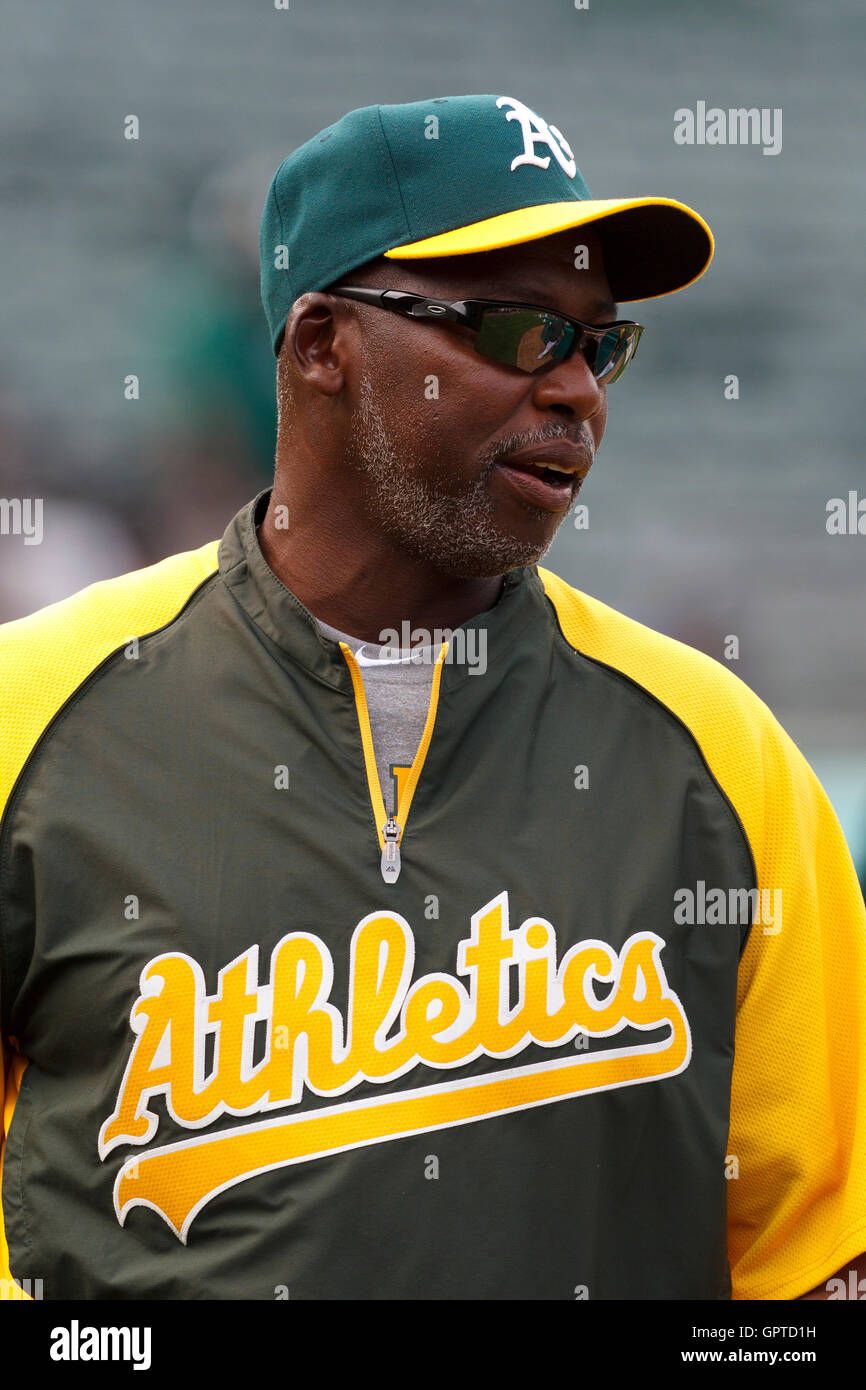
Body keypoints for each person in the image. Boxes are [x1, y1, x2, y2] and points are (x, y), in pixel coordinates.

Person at [1, 94, 864, 1302]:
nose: (577, 392)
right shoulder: (33, 714)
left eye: (597, 344)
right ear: (320, 347)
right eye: (518, 332)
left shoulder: (722, 755)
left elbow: (812, 1261)